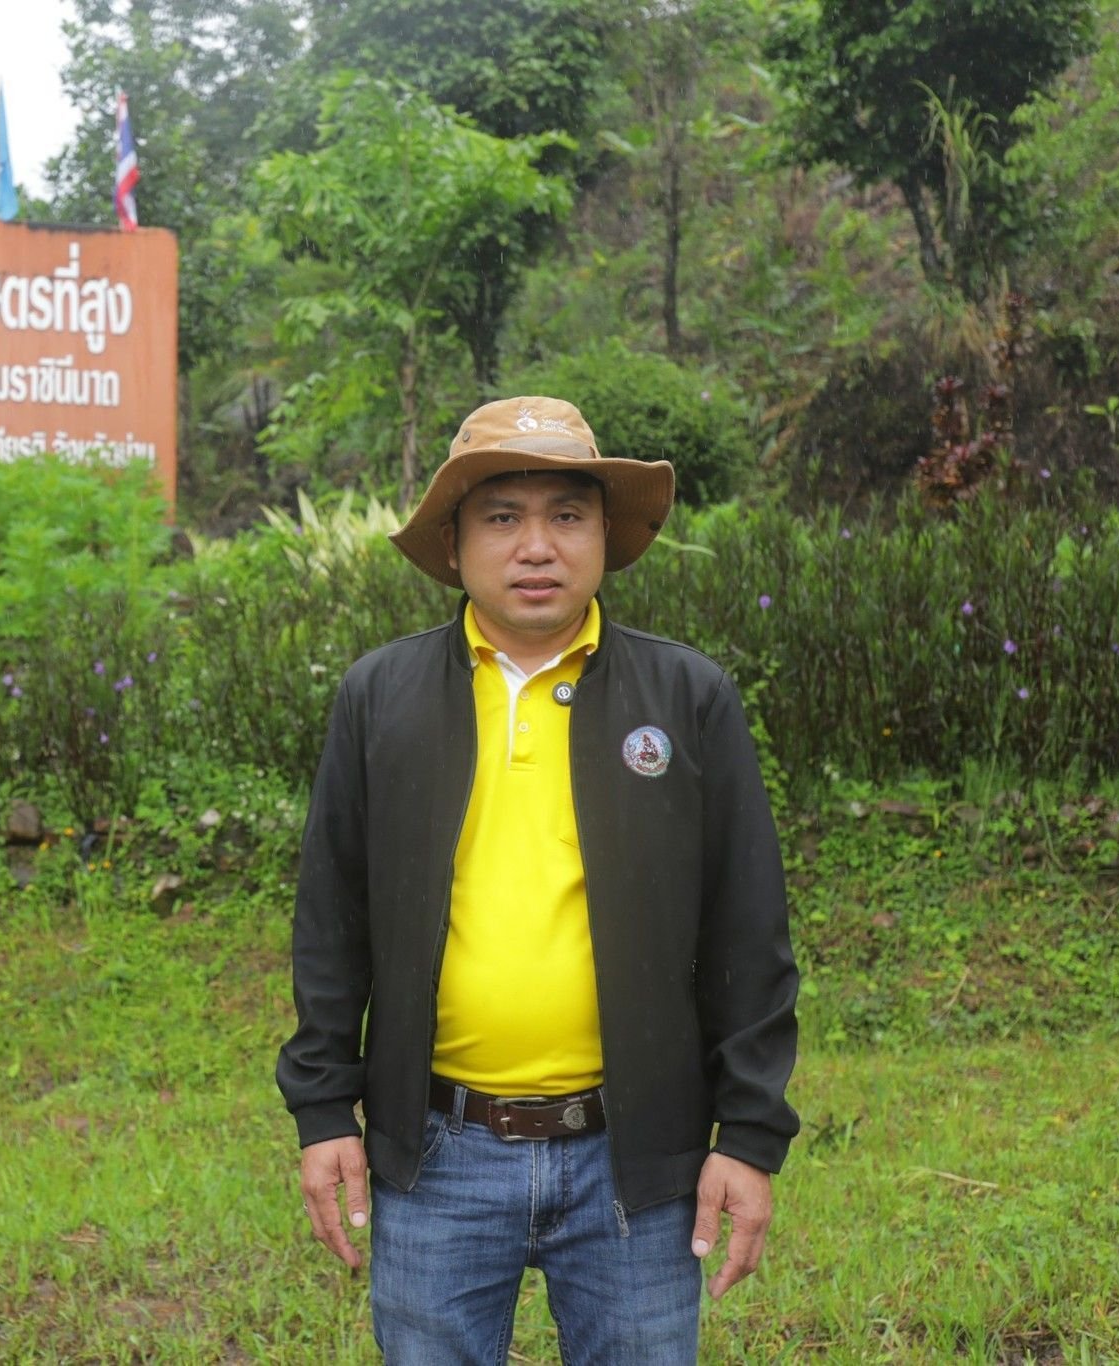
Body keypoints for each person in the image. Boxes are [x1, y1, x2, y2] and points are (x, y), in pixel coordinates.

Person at [276, 395, 800, 1363]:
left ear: (603, 535)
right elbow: (331, 923)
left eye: (566, 514)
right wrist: (320, 1110)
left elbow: (746, 932)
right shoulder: (380, 697)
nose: (535, 546)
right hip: (431, 1156)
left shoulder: (684, 697)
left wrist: (747, 1136)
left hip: (637, 1164)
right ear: (454, 538)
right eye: (501, 516)